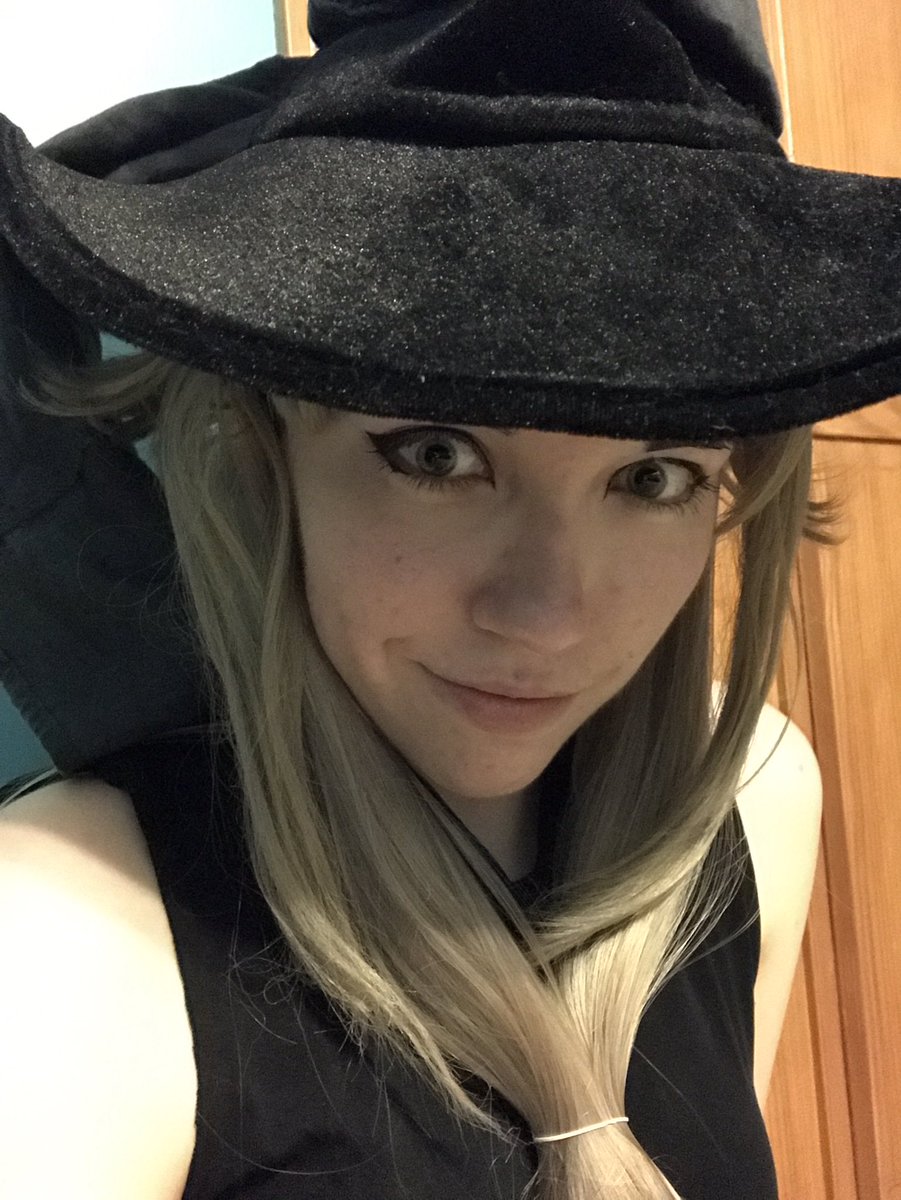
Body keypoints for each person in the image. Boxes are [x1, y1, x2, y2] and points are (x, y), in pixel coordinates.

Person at [0, 1, 896, 1197]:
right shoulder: (69, 928)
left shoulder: (753, 800)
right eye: (435, 454)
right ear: (265, 446)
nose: (547, 616)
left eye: (653, 477)